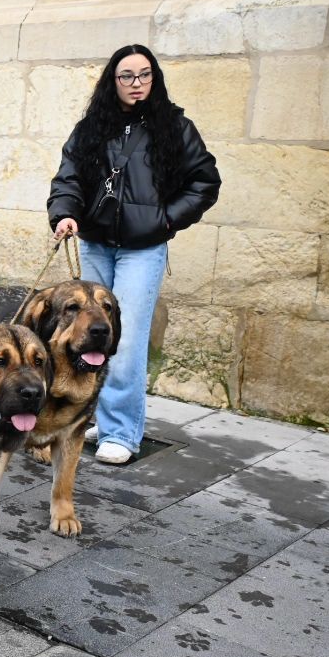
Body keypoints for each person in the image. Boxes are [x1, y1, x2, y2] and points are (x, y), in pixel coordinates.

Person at [47, 43, 221, 465]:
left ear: (154, 79)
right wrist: (65, 214)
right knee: (87, 337)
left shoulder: (175, 127)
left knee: (122, 340)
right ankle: (94, 418)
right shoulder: (91, 128)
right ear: (113, 80)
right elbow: (68, 177)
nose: (137, 84)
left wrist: (164, 220)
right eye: (127, 76)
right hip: (95, 244)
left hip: (143, 250)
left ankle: (122, 431)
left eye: (145, 75)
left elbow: (205, 181)